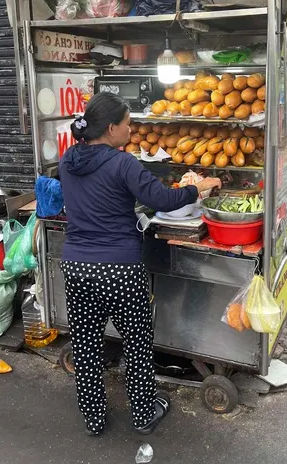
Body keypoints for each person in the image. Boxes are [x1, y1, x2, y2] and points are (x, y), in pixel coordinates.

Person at [59, 93, 221, 436]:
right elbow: (161, 199)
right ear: (112, 128)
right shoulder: (123, 164)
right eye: (128, 124)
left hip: (76, 265)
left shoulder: (69, 159)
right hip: (118, 268)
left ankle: (94, 419)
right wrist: (198, 189)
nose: (131, 130)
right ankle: (144, 412)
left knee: (87, 347)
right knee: (136, 341)